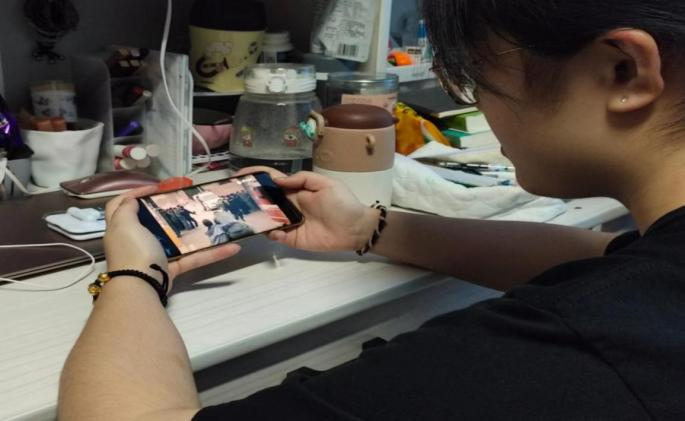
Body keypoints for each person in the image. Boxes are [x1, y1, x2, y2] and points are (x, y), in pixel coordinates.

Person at [58, 1, 685, 419]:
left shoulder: (564, 354)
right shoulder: (656, 272)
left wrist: (133, 274)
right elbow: (604, 258)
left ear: (623, 70)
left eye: (482, 77)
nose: (482, 105)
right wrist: (369, 227)